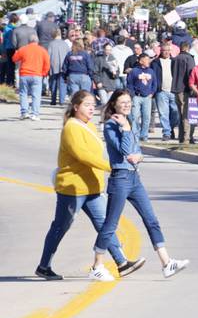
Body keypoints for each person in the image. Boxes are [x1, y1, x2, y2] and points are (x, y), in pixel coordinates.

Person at [35, 91, 142, 281]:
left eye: (93, 105)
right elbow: (83, 155)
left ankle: (121, 262)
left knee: (105, 224)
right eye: (87, 105)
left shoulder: (90, 125)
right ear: (76, 107)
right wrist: (112, 167)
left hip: (92, 187)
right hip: (73, 188)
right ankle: (44, 266)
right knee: (61, 226)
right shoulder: (71, 128)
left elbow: (99, 153)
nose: (91, 108)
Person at [89, 90, 189, 281]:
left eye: (128, 102)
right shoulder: (111, 125)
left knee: (151, 219)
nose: (126, 105)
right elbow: (125, 150)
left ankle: (167, 263)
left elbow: (137, 150)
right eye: (122, 102)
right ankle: (97, 265)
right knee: (110, 224)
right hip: (120, 179)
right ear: (114, 105)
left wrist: (139, 155)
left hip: (134, 178)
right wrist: (125, 129)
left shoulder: (129, 122)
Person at [12, 33, 50, 120]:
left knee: (23, 93)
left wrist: (16, 53)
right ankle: (35, 114)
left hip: (24, 74)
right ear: (37, 41)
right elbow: (47, 64)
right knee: (36, 95)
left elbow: (14, 59)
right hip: (37, 75)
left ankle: (24, 112)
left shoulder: (23, 49)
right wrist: (43, 73)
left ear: (28, 41)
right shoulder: (43, 50)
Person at [127, 53, 158, 143]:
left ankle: (144, 135)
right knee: (134, 116)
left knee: (146, 117)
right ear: (141, 61)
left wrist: (152, 93)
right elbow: (129, 84)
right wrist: (132, 94)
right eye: (146, 59)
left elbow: (154, 83)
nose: (148, 61)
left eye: (149, 59)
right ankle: (135, 134)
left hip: (147, 97)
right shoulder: (134, 71)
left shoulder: (151, 71)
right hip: (137, 96)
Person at [153, 42, 178, 141]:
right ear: (161, 51)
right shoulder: (155, 63)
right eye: (164, 51)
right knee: (163, 114)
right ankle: (166, 132)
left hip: (173, 91)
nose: (166, 52)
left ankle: (171, 127)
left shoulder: (175, 61)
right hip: (161, 91)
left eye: (168, 50)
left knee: (176, 113)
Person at [171, 42, 195, 144]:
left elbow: (173, 72)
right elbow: (191, 74)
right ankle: (186, 137)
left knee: (181, 114)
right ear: (188, 48)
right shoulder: (189, 58)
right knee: (186, 114)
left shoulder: (175, 58)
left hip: (176, 88)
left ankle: (181, 137)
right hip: (185, 89)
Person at [47, 28, 70, 106]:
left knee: (53, 83)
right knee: (62, 84)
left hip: (53, 65)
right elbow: (69, 55)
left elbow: (48, 55)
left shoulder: (51, 44)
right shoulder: (65, 44)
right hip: (63, 66)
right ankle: (61, 100)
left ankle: (53, 100)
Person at [3, 14, 19, 85]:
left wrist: (3, 49)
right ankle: (16, 82)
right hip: (16, 48)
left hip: (8, 48)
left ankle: (10, 82)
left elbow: (4, 40)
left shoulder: (6, 28)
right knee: (17, 66)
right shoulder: (17, 28)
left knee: (10, 66)